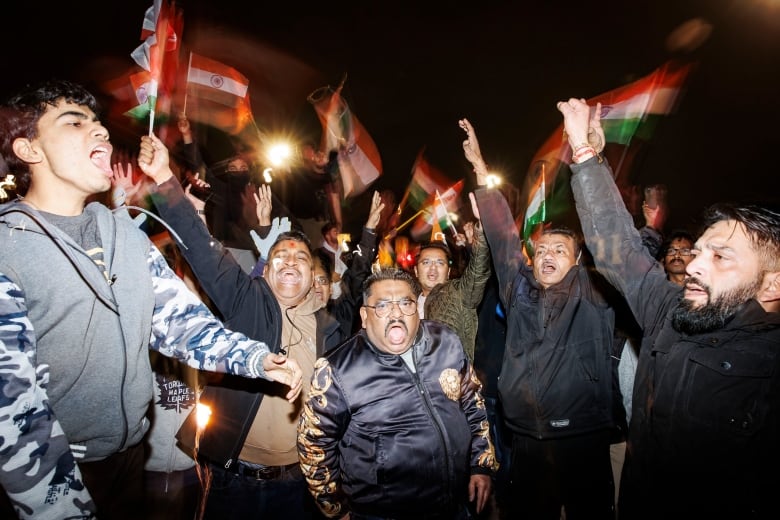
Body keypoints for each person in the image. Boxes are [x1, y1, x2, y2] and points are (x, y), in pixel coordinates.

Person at [0, 79, 302, 519]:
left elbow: (182, 323)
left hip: (129, 461)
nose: (100, 130)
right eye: (75, 121)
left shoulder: (123, 232)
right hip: (53, 475)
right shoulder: (9, 248)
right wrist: (58, 507)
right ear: (29, 150)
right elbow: (12, 407)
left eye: (98, 122)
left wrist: (256, 359)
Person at [559, 95, 780, 518]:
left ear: (772, 283)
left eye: (721, 257)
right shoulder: (670, 311)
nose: (694, 264)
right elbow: (617, 251)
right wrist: (585, 155)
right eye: (698, 251)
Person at [141, 156, 356, 519]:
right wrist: (165, 179)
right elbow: (202, 249)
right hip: (233, 480)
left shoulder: (329, 330)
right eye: (280, 255)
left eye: (301, 257)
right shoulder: (246, 301)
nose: (290, 261)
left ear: (312, 273)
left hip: (298, 483)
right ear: (266, 270)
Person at [461, 117, 618, 520]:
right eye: (542, 250)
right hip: (527, 441)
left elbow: (613, 236)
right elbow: (502, 238)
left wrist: (594, 159)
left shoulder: (595, 292)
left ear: (579, 260)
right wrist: (480, 168)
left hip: (582, 440)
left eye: (559, 250)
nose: (547, 256)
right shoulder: (519, 288)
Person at [297, 268, 498, 519]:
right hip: (383, 512)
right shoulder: (338, 370)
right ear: (364, 315)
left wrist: (480, 465)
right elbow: (314, 446)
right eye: (381, 306)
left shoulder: (444, 340)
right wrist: (336, 510)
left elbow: (472, 402)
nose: (396, 313)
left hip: (454, 504)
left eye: (405, 303)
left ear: (417, 309)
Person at [414, 219, 491, 361]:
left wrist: (481, 231)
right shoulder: (405, 305)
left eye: (439, 263)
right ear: (416, 270)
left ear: (448, 272)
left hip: (451, 380)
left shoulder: (458, 293)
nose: (433, 268)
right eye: (426, 262)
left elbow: (477, 273)